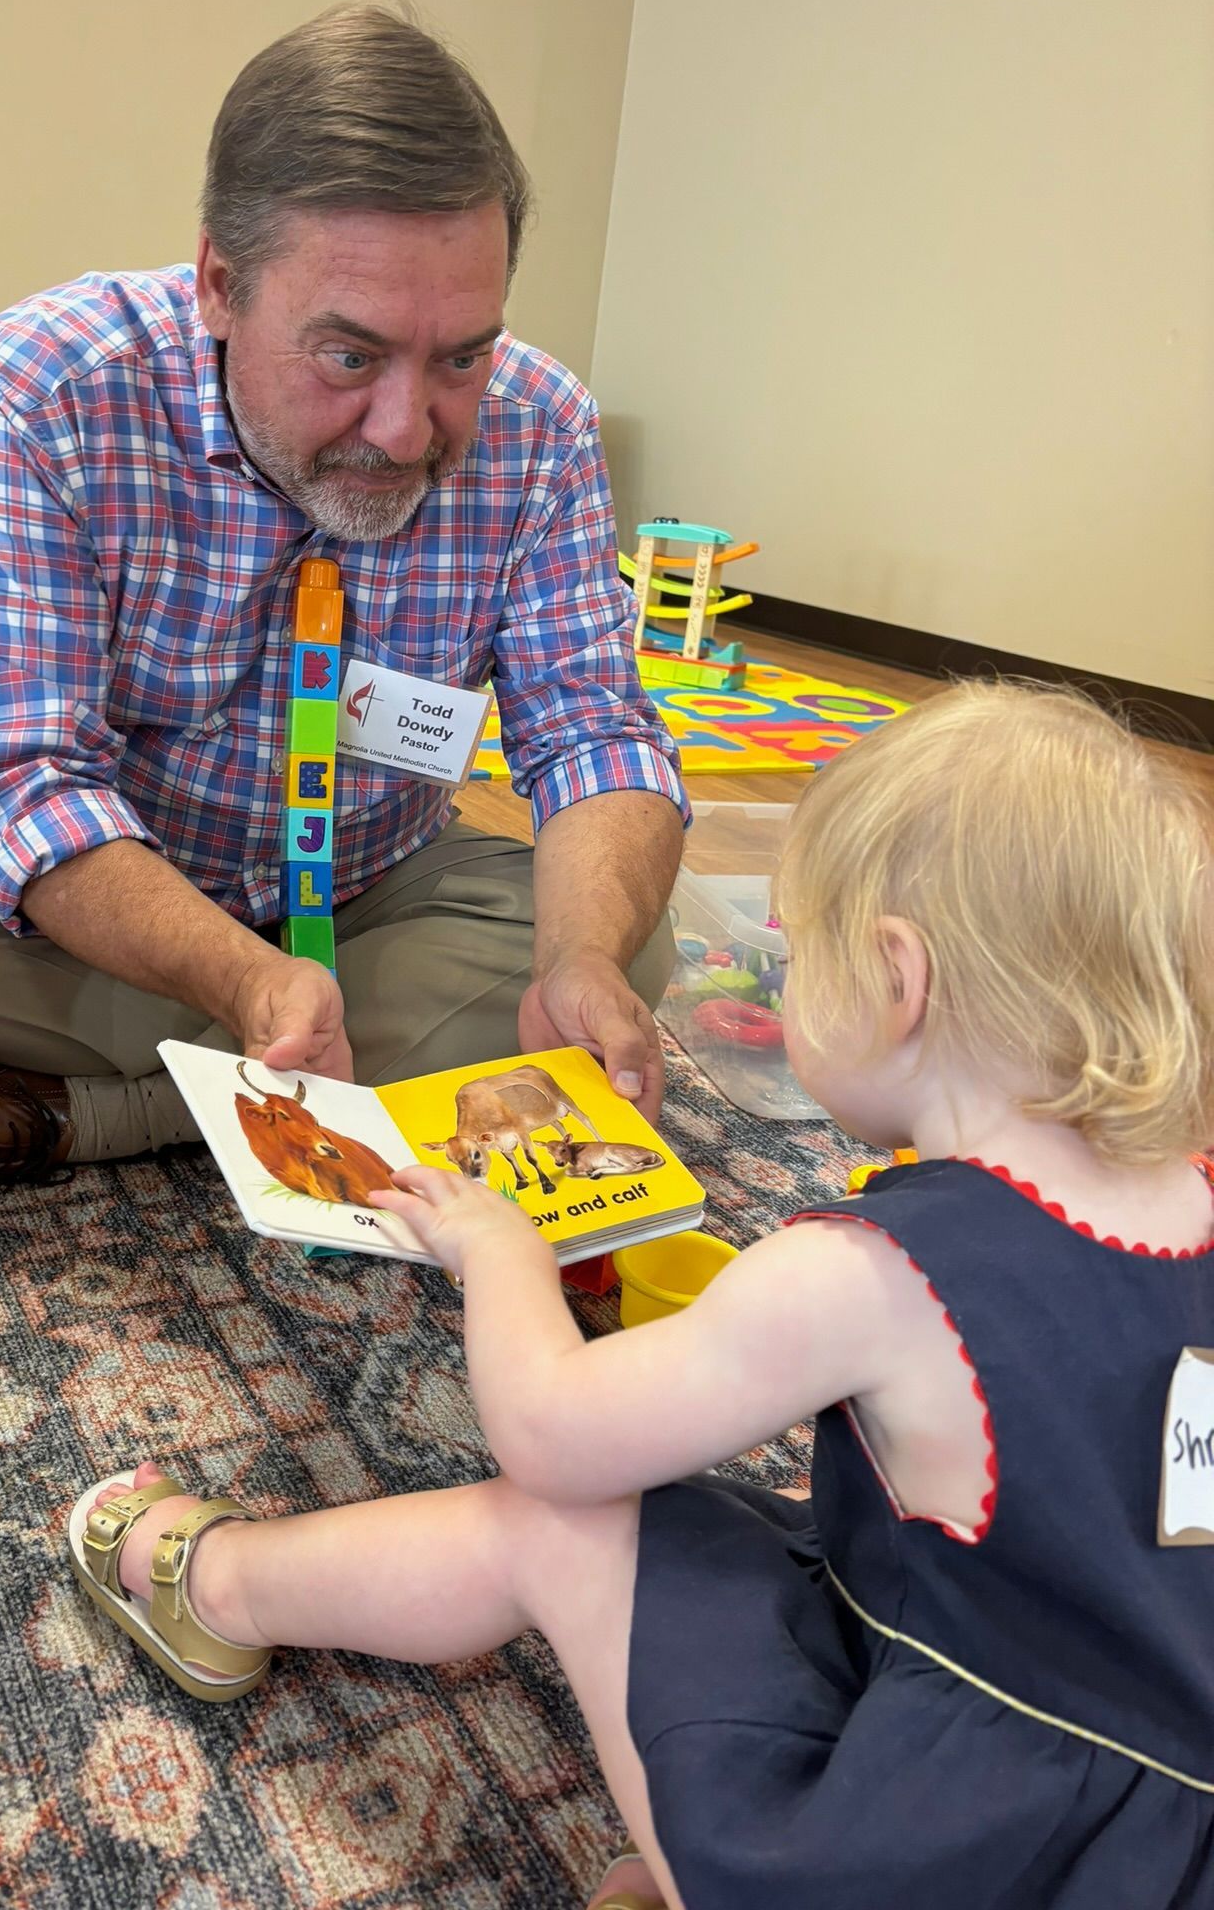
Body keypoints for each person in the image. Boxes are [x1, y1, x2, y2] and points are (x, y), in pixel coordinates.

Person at [67, 682, 1214, 1910]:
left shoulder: (870, 1270)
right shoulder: (1192, 1196)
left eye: (794, 952)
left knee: (562, 1519)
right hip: (1163, 1820)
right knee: (788, 1513)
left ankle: (216, 1585)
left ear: (895, 978)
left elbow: (555, 1436)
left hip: (952, 1857)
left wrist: (501, 1252)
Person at [0, 3, 687, 1222]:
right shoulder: (43, 391)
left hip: (378, 884)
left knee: (624, 941)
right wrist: (244, 977)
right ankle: (277, 1070)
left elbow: (593, 736)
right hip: (130, 914)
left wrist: (580, 957)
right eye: (350, 357)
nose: (408, 430)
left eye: (461, 356)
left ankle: (45, 1113)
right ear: (219, 284)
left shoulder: (543, 427)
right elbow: (24, 779)